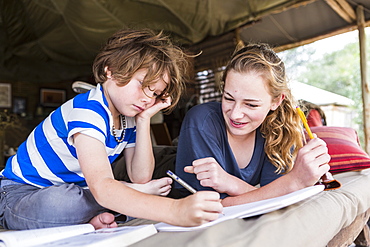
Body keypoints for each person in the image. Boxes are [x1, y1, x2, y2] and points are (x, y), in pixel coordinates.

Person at [0, 29, 222, 230]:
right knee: (60, 203)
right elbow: (104, 187)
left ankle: (102, 210)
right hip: (19, 194)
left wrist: (144, 120)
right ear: (111, 71)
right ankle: (116, 203)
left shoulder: (130, 117)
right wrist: (174, 211)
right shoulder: (88, 111)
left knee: (92, 196)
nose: (147, 98)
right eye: (143, 86)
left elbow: (141, 177)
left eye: (154, 94)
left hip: (79, 191)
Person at [174, 43, 331, 206]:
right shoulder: (202, 121)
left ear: (276, 102)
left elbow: (274, 197)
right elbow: (213, 206)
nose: (235, 114)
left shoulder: (280, 130)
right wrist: (293, 182)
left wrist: (230, 183)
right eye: (228, 98)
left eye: (251, 104)